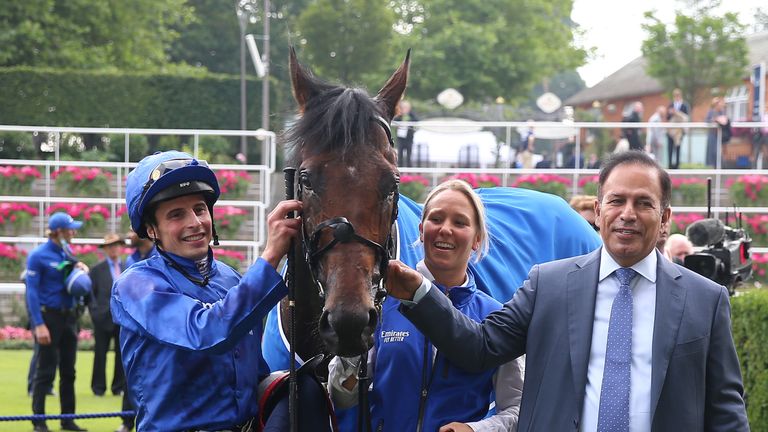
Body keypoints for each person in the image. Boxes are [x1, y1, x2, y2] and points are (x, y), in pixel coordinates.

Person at [385, 150, 749, 431]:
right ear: (598, 209)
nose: (628, 214)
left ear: (665, 218)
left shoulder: (705, 300)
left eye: (643, 203)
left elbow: (725, 408)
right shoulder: (548, 285)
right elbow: (480, 347)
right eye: (617, 201)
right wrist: (421, 292)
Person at [111, 150, 306, 431]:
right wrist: (271, 255)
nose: (195, 222)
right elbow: (206, 333)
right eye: (176, 215)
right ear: (152, 229)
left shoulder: (230, 278)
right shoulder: (136, 284)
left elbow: (253, 375)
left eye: (200, 209)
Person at [328, 179, 523, 431]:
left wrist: (477, 429)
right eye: (436, 219)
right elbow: (343, 395)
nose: (445, 229)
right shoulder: (380, 303)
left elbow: (519, 407)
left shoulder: (495, 316)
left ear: (476, 239)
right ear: (421, 230)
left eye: (460, 222)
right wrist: (350, 344)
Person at [26, 212, 91, 432]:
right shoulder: (37, 256)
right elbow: (32, 293)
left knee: (69, 372)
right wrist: (38, 324)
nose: (74, 232)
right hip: (49, 318)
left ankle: (67, 420)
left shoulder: (67, 251)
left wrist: (80, 267)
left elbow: (69, 274)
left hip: (69, 317)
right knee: (45, 372)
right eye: (71, 229)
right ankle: (39, 422)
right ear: (59, 232)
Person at [114, 230, 157, 432]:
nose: (130, 234)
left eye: (133, 230)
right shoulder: (130, 260)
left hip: (155, 330)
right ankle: (126, 422)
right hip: (133, 328)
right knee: (129, 376)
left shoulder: (160, 257)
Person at [88, 233, 127, 397]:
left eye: (116, 245)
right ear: (105, 249)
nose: (114, 249)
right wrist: (95, 314)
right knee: (100, 354)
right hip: (102, 318)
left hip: (122, 319)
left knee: (122, 354)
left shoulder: (127, 268)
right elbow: (90, 295)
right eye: (110, 246)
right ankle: (98, 388)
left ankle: (118, 387)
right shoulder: (97, 270)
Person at [666, 89, 689, 169]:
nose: (676, 97)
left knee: (678, 147)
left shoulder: (684, 105)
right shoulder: (671, 105)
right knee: (670, 147)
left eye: (678, 95)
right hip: (671, 130)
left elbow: (686, 117)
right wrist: (671, 113)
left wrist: (678, 113)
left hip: (679, 130)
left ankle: (677, 164)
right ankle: (670, 164)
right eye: (675, 95)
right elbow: (667, 117)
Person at [706, 97, 731, 167]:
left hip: (721, 136)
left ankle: (722, 167)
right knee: (713, 152)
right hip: (713, 134)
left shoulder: (722, 112)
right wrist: (714, 120)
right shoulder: (711, 111)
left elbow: (726, 120)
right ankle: (714, 166)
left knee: (722, 152)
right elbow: (707, 121)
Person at [393, 100, 419, 167]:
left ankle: (409, 172)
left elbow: (416, 120)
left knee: (409, 155)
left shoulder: (412, 114)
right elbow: (394, 120)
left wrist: (408, 121)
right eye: (404, 107)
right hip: (401, 138)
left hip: (409, 138)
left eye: (406, 107)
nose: (405, 109)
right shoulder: (399, 114)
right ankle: (400, 169)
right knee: (400, 155)